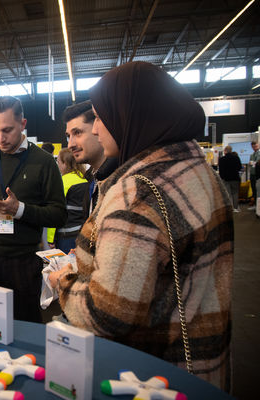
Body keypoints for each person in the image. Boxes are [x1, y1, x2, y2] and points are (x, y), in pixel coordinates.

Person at [50, 62, 233, 390]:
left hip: (148, 376)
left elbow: (107, 314)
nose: (96, 130)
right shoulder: (201, 173)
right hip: (204, 366)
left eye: (101, 117)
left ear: (131, 115)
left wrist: (63, 282)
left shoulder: (139, 193)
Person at [0, 96, 67, 323]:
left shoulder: (44, 162)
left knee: (24, 325)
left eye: (7, 130)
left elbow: (59, 214)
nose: (0, 138)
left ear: (22, 124)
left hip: (23, 263)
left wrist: (19, 210)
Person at [62, 100, 117, 219]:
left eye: (77, 133)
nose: (70, 144)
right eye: (68, 136)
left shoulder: (120, 182)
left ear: (98, 129)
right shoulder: (92, 181)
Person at [53, 149, 88, 253]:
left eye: (58, 162)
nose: (58, 165)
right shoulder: (86, 179)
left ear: (65, 164)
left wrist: (50, 239)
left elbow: (54, 212)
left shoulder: (62, 182)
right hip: (83, 233)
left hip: (65, 236)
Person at [219, 145, 242, 212]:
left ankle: (230, 208)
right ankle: (236, 208)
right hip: (235, 178)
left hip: (226, 179)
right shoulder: (236, 158)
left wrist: (222, 177)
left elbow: (221, 170)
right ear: (231, 151)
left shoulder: (222, 159)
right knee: (235, 193)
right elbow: (239, 168)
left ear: (225, 151)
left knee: (228, 194)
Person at [249, 141, 260, 209]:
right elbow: (251, 162)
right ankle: (255, 205)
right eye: (253, 147)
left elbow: (257, 162)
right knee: (254, 190)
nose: (254, 147)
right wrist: (253, 163)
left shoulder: (259, 153)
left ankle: (257, 206)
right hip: (252, 173)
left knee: (257, 190)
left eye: (256, 146)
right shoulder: (252, 154)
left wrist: (253, 162)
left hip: (257, 174)